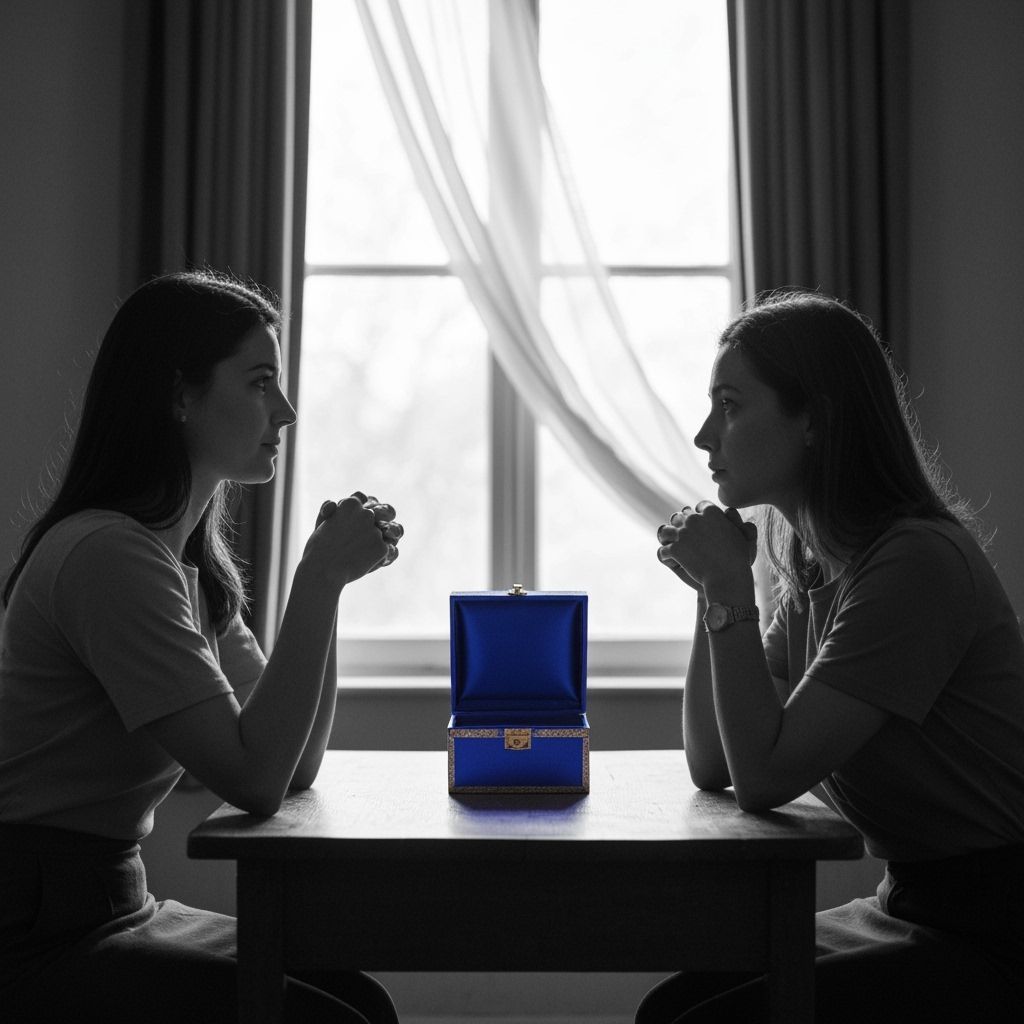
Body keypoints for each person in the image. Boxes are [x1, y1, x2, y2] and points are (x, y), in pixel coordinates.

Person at [0, 270, 404, 1023]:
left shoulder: (181, 564)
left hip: (109, 903)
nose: (284, 411)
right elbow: (253, 778)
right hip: (33, 934)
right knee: (335, 1018)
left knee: (353, 996)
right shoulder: (108, 557)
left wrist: (331, 586)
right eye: (260, 384)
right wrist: (316, 578)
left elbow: (290, 763)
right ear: (179, 396)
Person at [642, 291, 1024, 1023]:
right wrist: (710, 589)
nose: (701, 435)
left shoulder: (913, 564)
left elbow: (764, 777)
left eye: (729, 405)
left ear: (812, 418)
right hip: (911, 900)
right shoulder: (817, 563)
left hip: (998, 927)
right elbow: (715, 761)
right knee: (678, 1006)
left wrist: (727, 582)